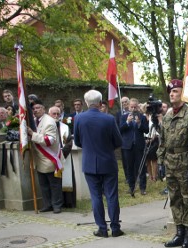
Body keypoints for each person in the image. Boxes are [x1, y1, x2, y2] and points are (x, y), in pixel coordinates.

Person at [73, 89, 123, 237]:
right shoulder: (108, 119)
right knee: (111, 196)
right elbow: (118, 141)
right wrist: (107, 148)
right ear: (100, 103)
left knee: (95, 197)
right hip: (107, 161)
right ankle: (115, 228)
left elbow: (77, 141)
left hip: (89, 162)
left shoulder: (79, 119)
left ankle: (102, 228)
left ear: (86, 103)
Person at [158, 79, 188, 248]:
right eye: (171, 91)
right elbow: (162, 141)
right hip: (170, 162)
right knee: (175, 199)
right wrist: (161, 162)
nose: (172, 94)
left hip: (185, 162)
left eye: (175, 91)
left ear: (183, 94)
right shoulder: (168, 116)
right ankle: (179, 233)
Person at [29, 101, 63, 214]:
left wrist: (32, 135)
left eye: (38, 108)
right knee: (43, 184)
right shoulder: (34, 121)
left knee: (54, 184)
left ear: (44, 108)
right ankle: (47, 204)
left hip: (49, 157)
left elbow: (49, 140)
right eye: (33, 108)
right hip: (39, 158)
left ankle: (57, 205)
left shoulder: (49, 121)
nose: (35, 110)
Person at [117, 97, 149, 197]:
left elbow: (146, 130)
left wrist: (139, 123)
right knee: (129, 167)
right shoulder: (123, 117)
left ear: (138, 107)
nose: (133, 109)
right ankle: (131, 187)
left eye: (135, 107)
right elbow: (120, 130)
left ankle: (143, 188)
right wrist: (127, 122)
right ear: (129, 107)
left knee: (141, 167)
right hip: (128, 146)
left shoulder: (142, 117)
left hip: (139, 145)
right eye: (132, 107)